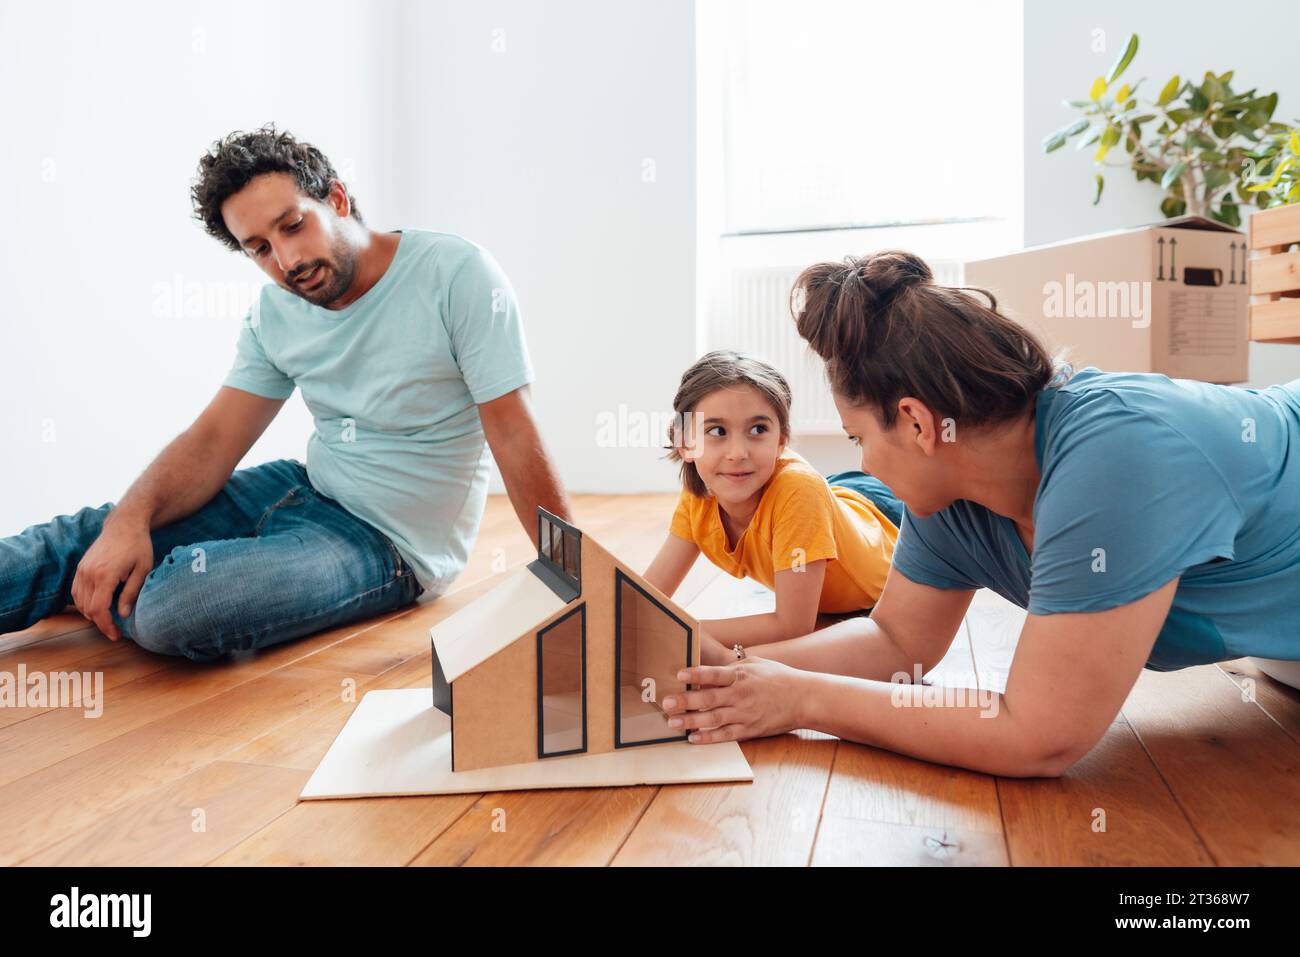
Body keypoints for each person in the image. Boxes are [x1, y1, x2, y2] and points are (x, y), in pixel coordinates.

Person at [662, 250, 1300, 777]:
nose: (865, 467)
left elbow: (1040, 735)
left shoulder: (1115, 456)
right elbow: (895, 640)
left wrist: (800, 697)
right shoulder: (950, 499)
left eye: (858, 439)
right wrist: (729, 670)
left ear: (915, 422)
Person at [0, 125, 571, 662]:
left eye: (294, 225)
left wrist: (576, 577)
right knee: (81, 537)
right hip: (302, 486)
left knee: (176, 607)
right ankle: (97, 580)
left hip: (388, 544)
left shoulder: (457, 274)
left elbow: (514, 434)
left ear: (338, 200)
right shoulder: (276, 311)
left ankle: (102, 591)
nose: (288, 260)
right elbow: (214, 439)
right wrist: (128, 521)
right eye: (260, 248)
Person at [643, 351, 901, 659]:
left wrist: (676, 631)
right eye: (717, 431)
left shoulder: (799, 491)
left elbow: (793, 626)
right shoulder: (701, 494)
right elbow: (643, 601)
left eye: (757, 430)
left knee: (810, 491)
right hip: (835, 496)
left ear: (782, 441)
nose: (737, 452)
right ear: (686, 443)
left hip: (885, 516)